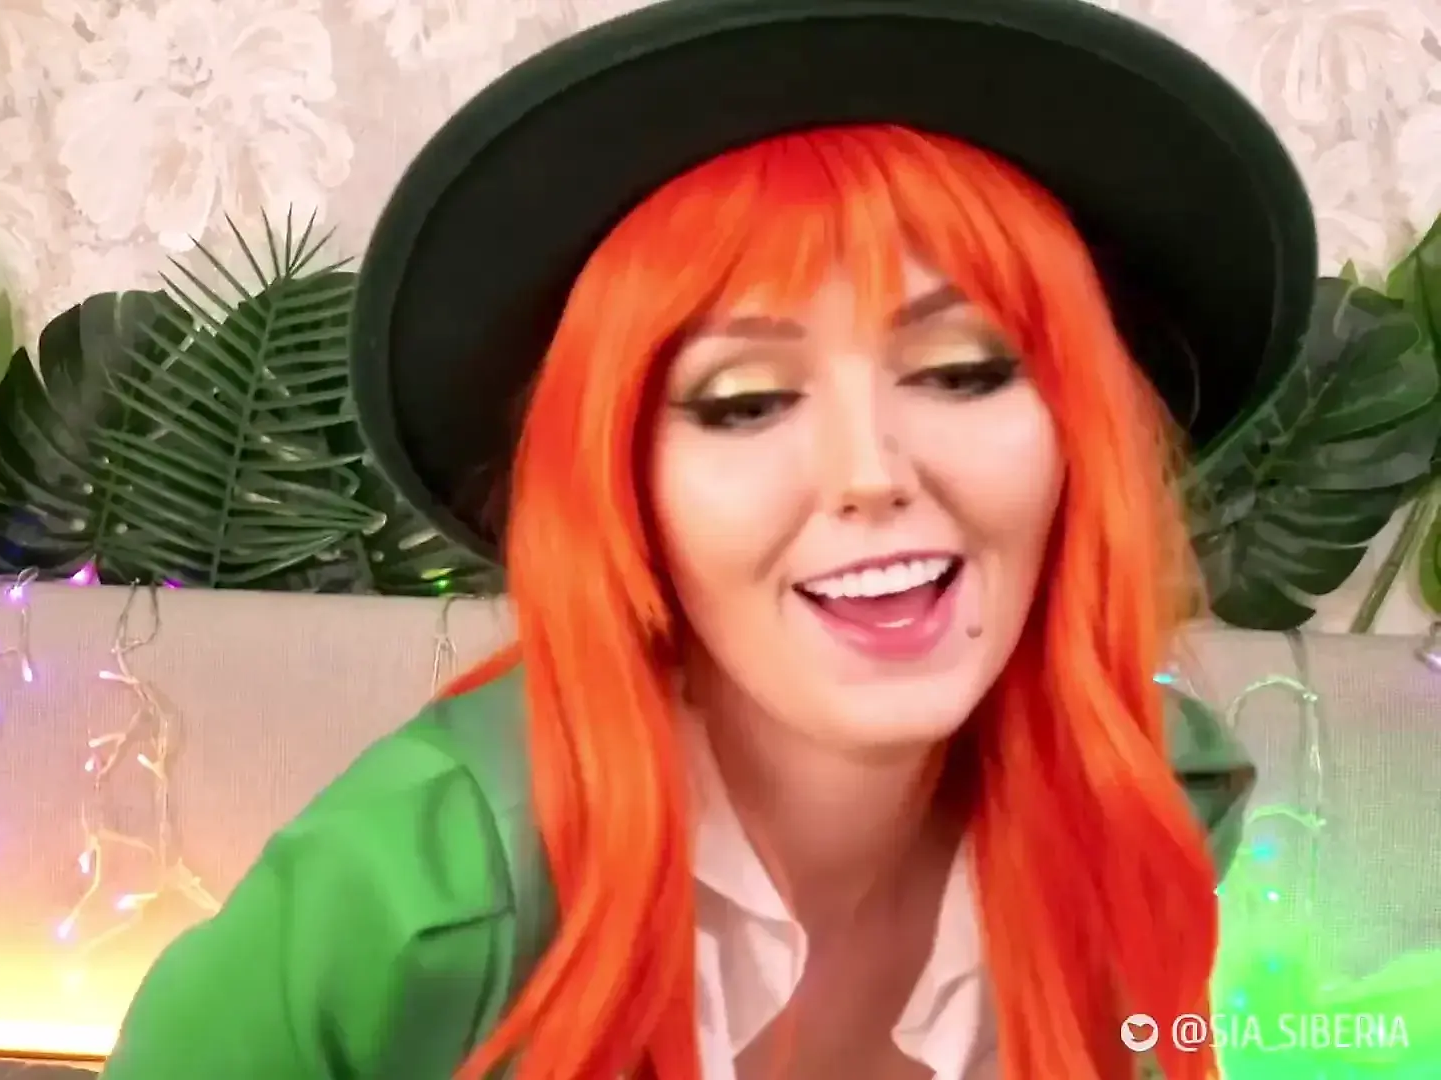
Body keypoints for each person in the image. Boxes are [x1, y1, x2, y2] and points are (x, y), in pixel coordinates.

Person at [99, 0, 1305, 1076]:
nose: (870, 472)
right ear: (622, 484)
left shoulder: (1149, 795)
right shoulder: (397, 900)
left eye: (961, 371)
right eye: (745, 402)